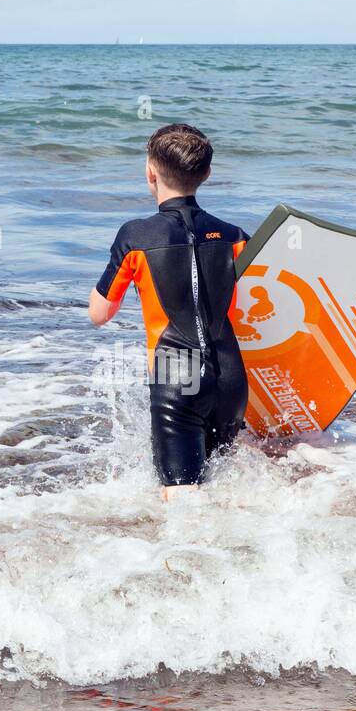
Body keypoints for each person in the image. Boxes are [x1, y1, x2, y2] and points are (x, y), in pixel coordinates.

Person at [88, 123, 249, 500]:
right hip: (231, 377)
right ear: (207, 174)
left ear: (150, 172)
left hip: (178, 375)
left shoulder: (136, 236)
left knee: (181, 498)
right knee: (225, 486)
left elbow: (100, 313)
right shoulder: (235, 235)